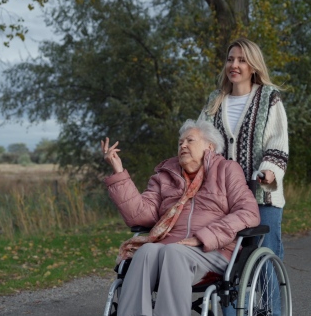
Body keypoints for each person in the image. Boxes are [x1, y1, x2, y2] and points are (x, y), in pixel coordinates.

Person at [101, 119, 260, 316]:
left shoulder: (227, 170)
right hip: (169, 248)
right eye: (180, 142)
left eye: (189, 140)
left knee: (174, 253)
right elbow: (140, 216)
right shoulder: (165, 176)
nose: (182, 145)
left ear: (210, 146)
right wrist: (119, 173)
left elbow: (249, 213)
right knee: (146, 251)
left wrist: (203, 237)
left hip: (212, 250)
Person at [198, 37, 289, 315]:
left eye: (241, 60)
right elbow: (200, 141)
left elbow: (278, 144)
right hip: (223, 200)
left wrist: (267, 172)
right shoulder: (215, 101)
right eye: (230, 59)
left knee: (264, 264)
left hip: (262, 197)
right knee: (228, 266)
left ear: (253, 66)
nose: (234, 65)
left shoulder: (268, 97)